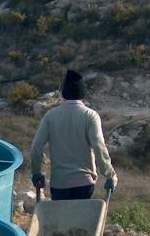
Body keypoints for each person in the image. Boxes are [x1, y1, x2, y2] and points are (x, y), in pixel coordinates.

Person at [30, 70, 117, 200]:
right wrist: (110, 175)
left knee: (61, 220)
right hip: (84, 184)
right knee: (79, 219)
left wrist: (36, 172)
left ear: (64, 93)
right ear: (83, 94)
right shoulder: (90, 116)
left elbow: (36, 146)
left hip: (59, 184)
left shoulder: (50, 116)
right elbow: (99, 147)